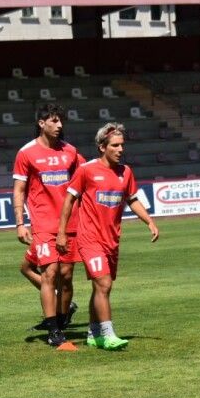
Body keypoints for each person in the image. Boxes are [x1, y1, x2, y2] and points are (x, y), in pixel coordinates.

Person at [57, 122, 159, 351]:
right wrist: (62, 233)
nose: (120, 149)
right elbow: (69, 200)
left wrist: (149, 221)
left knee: (102, 286)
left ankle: (94, 334)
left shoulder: (126, 172)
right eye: (115, 145)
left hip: (111, 240)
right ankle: (109, 334)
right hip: (89, 238)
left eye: (122, 145)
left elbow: (132, 200)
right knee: (103, 284)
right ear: (102, 147)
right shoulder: (86, 170)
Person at [12, 103, 82, 347]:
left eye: (61, 121)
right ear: (41, 123)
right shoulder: (26, 153)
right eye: (54, 121)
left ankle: (62, 321)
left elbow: (85, 177)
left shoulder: (70, 151)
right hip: (42, 223)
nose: (59, 125)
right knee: (49, 273)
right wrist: (20, 222)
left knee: (66, 276)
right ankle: (53, 330)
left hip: (70, 222)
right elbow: (19, 189)